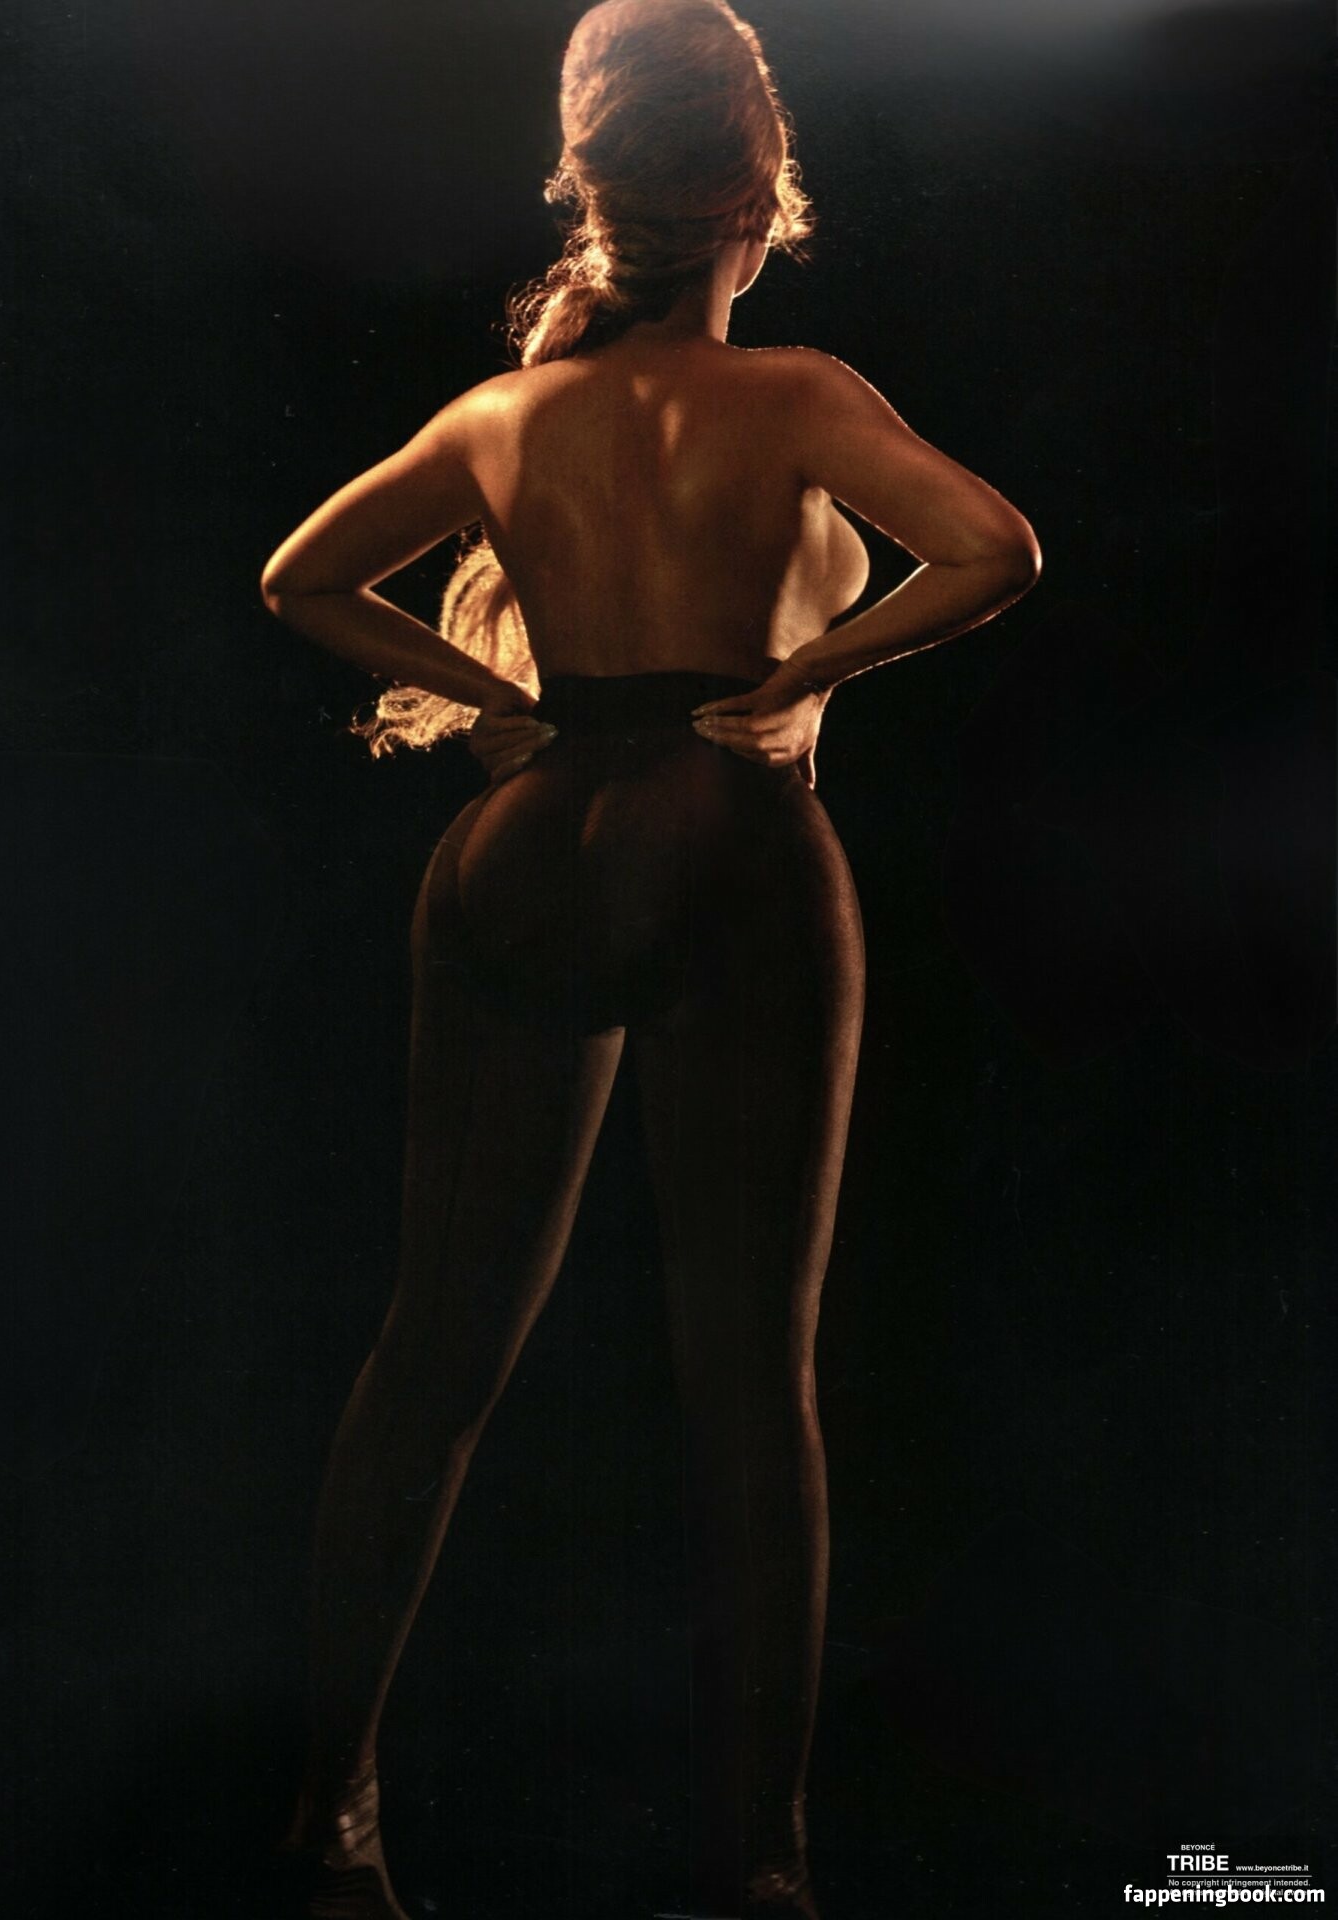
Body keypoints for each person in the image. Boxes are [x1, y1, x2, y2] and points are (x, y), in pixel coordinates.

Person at [259, 2, 1040, 1914]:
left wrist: (497, 709)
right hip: (727, 832)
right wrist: (802, 677)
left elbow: (299, 579)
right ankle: (763, 1869)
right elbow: (995, 550)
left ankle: (329, 1819)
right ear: (758, 207)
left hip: (524, 844)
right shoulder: (801, 396)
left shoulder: (503, 418)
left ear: (600, 206)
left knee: (433, 1353)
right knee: (753, 1383)